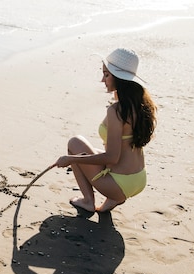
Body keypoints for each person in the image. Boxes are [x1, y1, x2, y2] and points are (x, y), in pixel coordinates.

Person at [53, 48, 157, 213]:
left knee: (75, 143)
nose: (102, 80)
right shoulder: (141, 105)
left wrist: (70, 159)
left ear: (119, 79)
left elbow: (112, 157)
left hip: (120, 183)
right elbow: (121, 151)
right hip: (139, 178)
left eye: (107, 75)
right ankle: (113, 199)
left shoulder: (117, 111)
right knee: (86, 151)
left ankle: (88, 201)